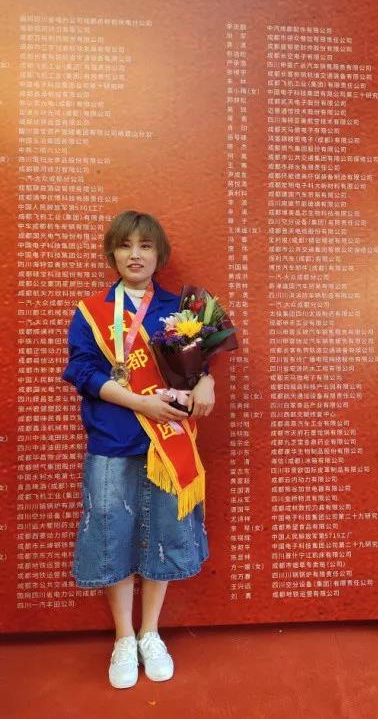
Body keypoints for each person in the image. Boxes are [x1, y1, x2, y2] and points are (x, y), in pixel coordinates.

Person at [63, 210, 216, 689]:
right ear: (112, 254)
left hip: (168, 442)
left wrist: (207, 381)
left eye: (145, 246)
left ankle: (150, 632)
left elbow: (196, 366)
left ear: (158, 254)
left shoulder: (181, 308)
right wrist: (138, 402)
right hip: (112, 438)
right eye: (125, 245)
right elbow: (82, 371)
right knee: (112, 533)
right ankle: (123, 638)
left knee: (163, 532)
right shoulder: (91, 310)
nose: (135, 255)